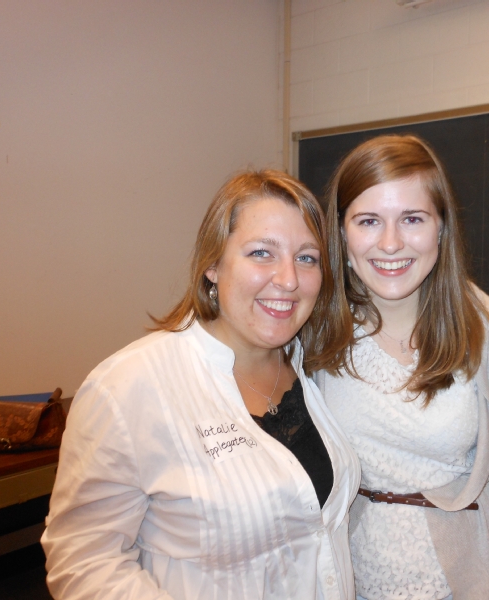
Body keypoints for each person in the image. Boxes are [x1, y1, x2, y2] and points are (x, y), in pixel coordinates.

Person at [41, 170, 360, 600]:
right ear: (213, 265)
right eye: (261, 253)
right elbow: (83, 564)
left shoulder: (316, 368)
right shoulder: (129, 387)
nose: (288, 279)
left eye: (306, 258)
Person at [317, 135, 489, 600]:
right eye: (368, 221)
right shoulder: (317, 328)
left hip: (466, 582)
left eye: (412, 219)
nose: (391, 243)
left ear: (441, 227)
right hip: (348, 581)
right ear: (341, 232)